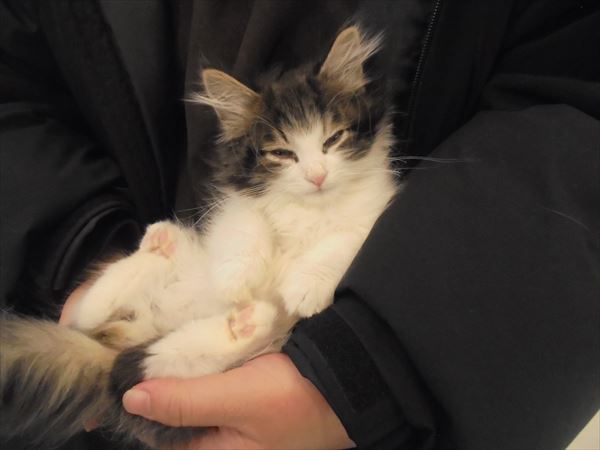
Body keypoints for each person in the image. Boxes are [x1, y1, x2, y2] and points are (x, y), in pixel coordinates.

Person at [1, 1, 598, 449]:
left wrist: (360, 372)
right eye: (285, 154)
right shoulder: (251, 198)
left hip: (351, 395)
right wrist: (74, 246)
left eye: (332, 141)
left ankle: (194, 347)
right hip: (145, 306)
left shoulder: (370, 183)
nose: (315, 172)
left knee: (226, 329)